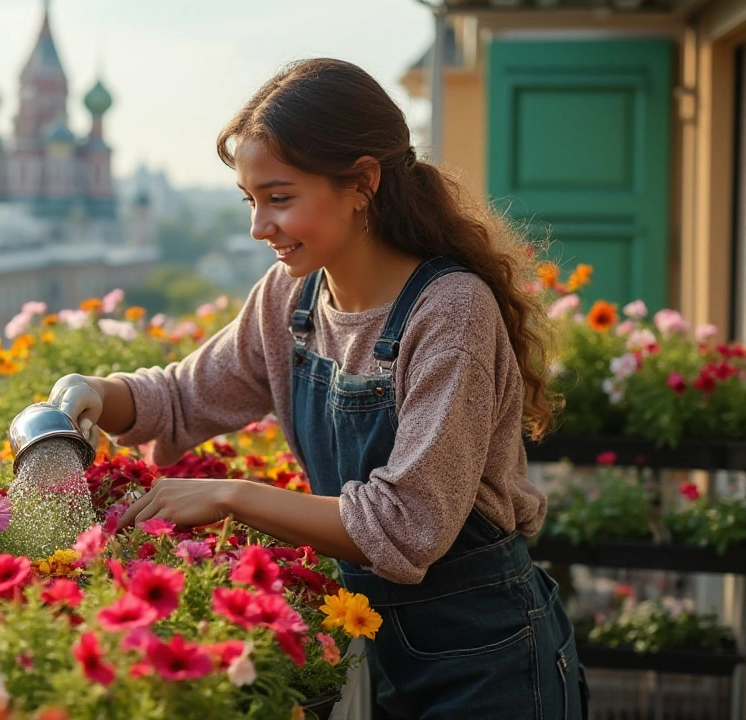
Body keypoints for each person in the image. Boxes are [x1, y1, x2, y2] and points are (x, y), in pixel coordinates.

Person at [49, 59, 588, 719]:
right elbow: (185, 396)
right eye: (251, 201)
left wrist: (230, 496)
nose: (259, 227)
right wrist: (90, 393)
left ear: (362, 183)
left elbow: (408, 525)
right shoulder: (293, 297)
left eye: (280, 198)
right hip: (386, 647)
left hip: (491, 656)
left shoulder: (450, 314)